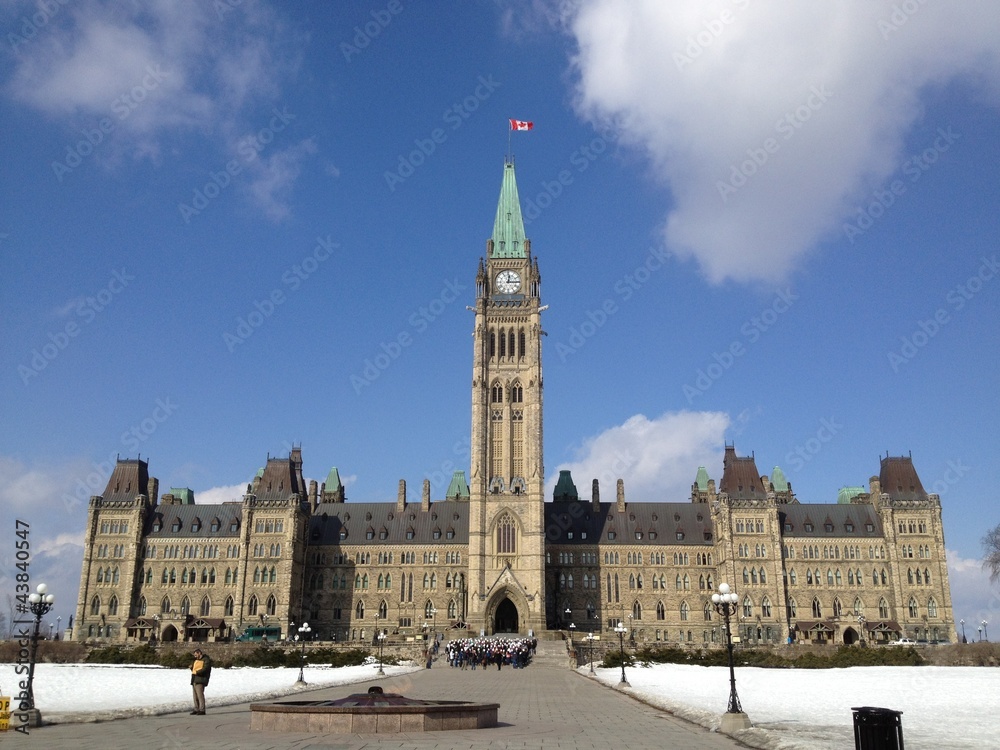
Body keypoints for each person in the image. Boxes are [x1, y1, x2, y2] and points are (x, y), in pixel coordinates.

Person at [190, 647, 212, 715]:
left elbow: (206, 669)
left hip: (201, 680)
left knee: (200, 695)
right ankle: (196, 709)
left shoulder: (206, 660)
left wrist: (197, 672)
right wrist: (191, 668)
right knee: (195, 696)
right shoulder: (196, 660)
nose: (195, 656)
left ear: (199, 653)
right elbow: (194, 670)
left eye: (196, 654)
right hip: (194, 679)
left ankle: (202, 710)